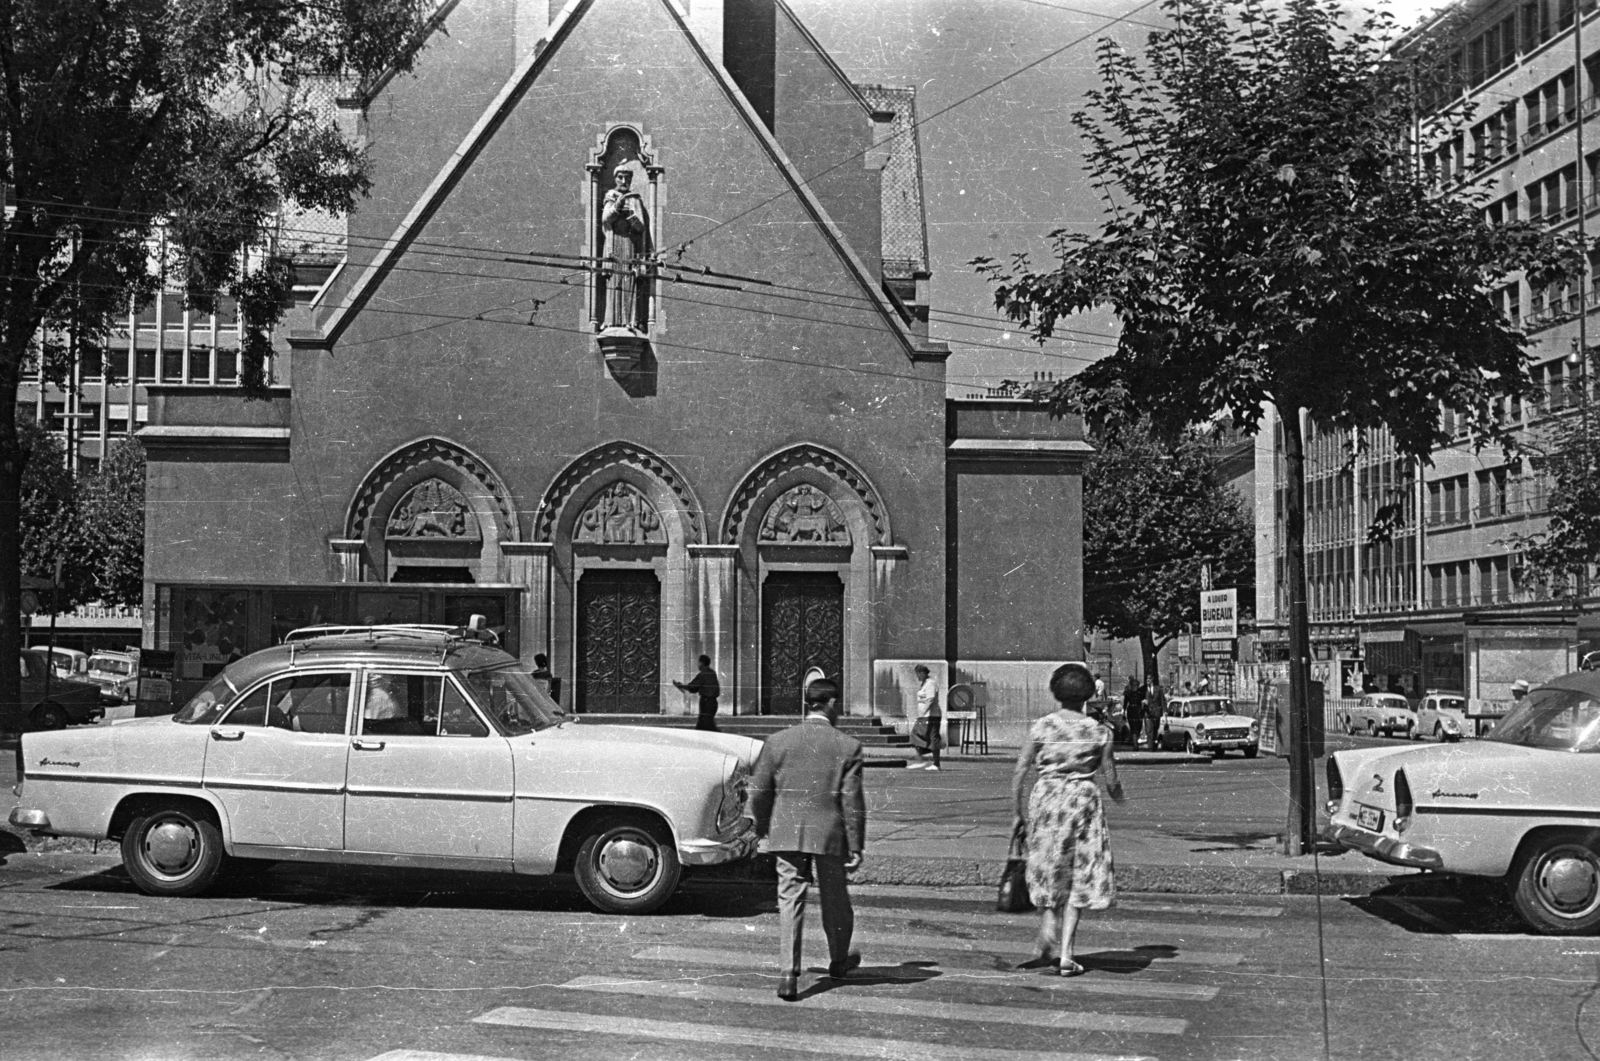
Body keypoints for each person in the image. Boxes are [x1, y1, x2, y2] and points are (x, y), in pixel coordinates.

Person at [748, 676, 866, 1001]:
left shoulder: (778, 741)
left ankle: (788, 974)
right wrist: (856, 845)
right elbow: (851, 801)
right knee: (836, 900)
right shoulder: (848, 746)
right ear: (831, 704)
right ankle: (839, 962)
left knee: (789, 899)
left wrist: (758, 829)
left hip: (785, 831)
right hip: (830, 834)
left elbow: (758, 791)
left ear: (808, 704)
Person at [1011, 661, 1125, 977]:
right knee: (1079, 872)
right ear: (1088, 694)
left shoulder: (1042, 727)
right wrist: (1122, 801)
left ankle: (1048, 919)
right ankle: (1066, 954)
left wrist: (1018, 814)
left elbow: (1020, 772)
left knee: (1047, 864)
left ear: (1056, 693)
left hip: (1046, 800)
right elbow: (1112, 781)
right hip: (1084, 803)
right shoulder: (1100, 732)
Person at [600, 164, 648, 331]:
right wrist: (617, 206)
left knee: (629, 280)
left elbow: (641, 227)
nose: (623, 181)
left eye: (627, 178)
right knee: (614, 281)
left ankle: (630, 321)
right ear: (615, 178)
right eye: (620, 177)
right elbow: (606, 219)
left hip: (629, 245)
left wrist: (630, 215)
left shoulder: (635, 199)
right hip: (614, 244)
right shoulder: (610, 196)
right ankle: (611, 321)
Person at [673, 655, 722, 731]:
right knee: (704, 725)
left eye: (698, 662)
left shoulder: (703, 674)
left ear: (702, 663)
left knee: (706, 725)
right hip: (713, 703)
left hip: (706, 703)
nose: (697, 665)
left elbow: (693, 686)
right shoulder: (712, 673)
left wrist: (681, 686)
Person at [908, 663, 942, 770]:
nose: (917, 676)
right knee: (917, 735)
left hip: (931, 715)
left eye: (918, 674)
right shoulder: (924, 683)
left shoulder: (930, 683)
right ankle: (922, 760)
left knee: (931, 737)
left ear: (922, 673)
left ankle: (935, 764)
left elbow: (930, 699)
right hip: (925, 715)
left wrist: (923, 713)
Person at [1145, 679, 1167, 749]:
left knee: (1155, 728)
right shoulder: (1143, 689)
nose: (1148, 681)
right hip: (1147, 712)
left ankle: (1154, 743)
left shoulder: (1158, 689)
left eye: (1149, 679)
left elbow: (1162, 700)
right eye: (1147, 679)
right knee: (1149, 729)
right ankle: (1150, 746)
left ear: (1152, 680)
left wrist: (1165, 710)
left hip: (1157, 712)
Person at [1123, 680, 1145, 749]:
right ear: (1130, 685)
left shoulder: (1141, 694)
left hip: (1139, 711)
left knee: (1138, 728)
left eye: (1136, 685)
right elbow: (1125, 704)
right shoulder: (1128, 693)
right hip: (1131, 711)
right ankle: (1135, 745)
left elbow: (1144, 703)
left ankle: (1136, 742)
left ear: (1138, 686)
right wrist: (1124, 713)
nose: (1134, 687)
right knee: (1133, 728)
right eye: (1133, 685)